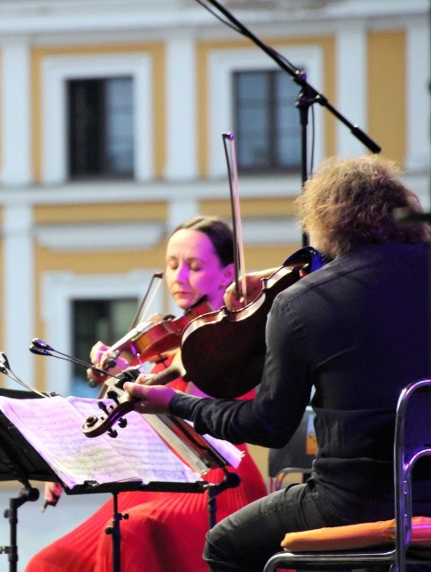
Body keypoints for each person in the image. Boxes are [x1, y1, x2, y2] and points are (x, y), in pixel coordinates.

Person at [126, 155, 431, 571]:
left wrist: (174, 403)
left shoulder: (302, 305)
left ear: (323, 221)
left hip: (354, 502)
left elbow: (267, 425)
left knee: (224, 545)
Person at [26, 215, 268, 572]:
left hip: (218, 482)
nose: (179, 278)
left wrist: (149, 380)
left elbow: (200, 412)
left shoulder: (239, 339)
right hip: (155, 481)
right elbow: (130, 432)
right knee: (47, 563)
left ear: (228, 274)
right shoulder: (166, 341)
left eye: (194, 266)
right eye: (172, 265)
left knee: (125, 534)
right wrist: (72, 463)